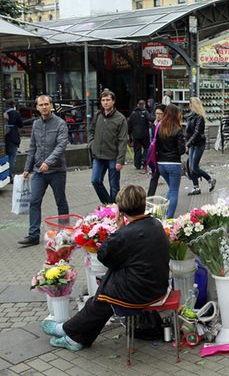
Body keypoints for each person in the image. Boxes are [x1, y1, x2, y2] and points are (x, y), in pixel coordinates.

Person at [41, 184, 170, 351]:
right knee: (104, 292)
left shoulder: (125, 234)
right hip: (158, 286)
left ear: (121, 212)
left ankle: (68, 331)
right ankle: (74, 336)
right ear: (143, 205)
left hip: (141, 292)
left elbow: (104, 256)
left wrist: (118, 229)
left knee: (104, 295)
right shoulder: (155, 224)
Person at [19, 95, 69, 247]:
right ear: (37, 107)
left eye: (47, 104)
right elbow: (33, 147)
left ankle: (64, 232)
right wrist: (27, 168)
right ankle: (34, 235)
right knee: (34, 201)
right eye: (41, 105)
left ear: (51, 105)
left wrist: (48, 162)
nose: (44, 107)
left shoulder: (60, 123)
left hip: (57, 171)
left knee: (60, 201)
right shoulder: (36, 125)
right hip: (39, 172)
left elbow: (61, 146)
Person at [89, 90, 128, 205]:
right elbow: (91, 131)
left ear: (113, 101)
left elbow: (122, 140)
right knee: (95, 181)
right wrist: (92, 144)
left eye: (108, 100)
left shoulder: (120, 118)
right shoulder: (98, 116)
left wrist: (120, 160)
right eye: (103, 100)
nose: (105, 103)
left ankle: (115, 208)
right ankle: (108, 204)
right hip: (98, 156)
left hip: (113, 157)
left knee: (114, 186)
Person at [156, 104, 186, 218]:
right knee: (174, 192)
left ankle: (160, 210)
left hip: (161, 163)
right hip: (173, 163)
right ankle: (169, 219)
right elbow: (181, 150)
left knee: (171, 188)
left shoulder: (159, 127)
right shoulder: (178, 129)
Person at [186, 97, 216, 196]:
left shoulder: (199, 117)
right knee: (191, 167)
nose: (189, 105)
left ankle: (210, 179)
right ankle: (196, 187)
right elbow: (189, 132)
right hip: (192, 144)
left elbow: (196, 133)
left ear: (192, 104)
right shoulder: (190, 116)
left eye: (190, 103)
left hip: (198, 144)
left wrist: (188, 143)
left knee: (194, 167)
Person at [128, 100, 154, 170]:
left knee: (137, 149)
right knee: (146, 147)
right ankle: (144, 160)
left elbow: (129, 124)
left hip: (135, 135)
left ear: (137, 105)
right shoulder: (145, 112)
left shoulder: (133, 113)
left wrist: (129, 133)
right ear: (144, 105)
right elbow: (152, 119)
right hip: (144, 134)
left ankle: (137, 164)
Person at [147, 104, 165, 197]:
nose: (158, 116)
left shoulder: (166, 125)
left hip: (164, 155)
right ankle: (149, 198)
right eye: (156, 113)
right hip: (156, 155)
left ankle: (172, 196)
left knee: (169, 179)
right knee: (154, 177)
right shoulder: (153, 124)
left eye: (160, 114)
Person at [3, 99, 23, 183]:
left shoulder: (2, 111)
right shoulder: (15, 113)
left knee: (4, 158)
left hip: (3, 137)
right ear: (14, 105)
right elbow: (21, 124)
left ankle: (5, 175)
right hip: (12, 137)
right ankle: (9, 176)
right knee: (11, 158)